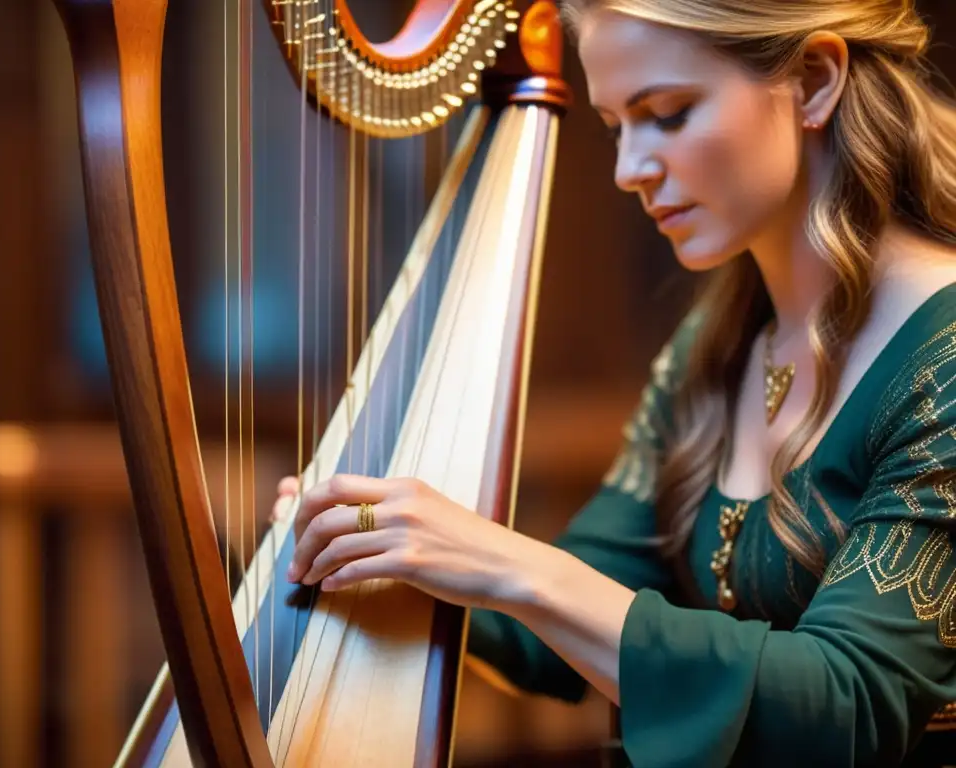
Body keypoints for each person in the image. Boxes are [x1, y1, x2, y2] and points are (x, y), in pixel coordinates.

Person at [272, 0, 956, 764]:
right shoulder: (718, 345)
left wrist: (504, 563)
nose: (630, 169)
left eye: (665, 113)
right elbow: (585, 600)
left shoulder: (945, 356)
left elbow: (849, 705)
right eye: (615, 128)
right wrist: (395, 551)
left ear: (816, 79)